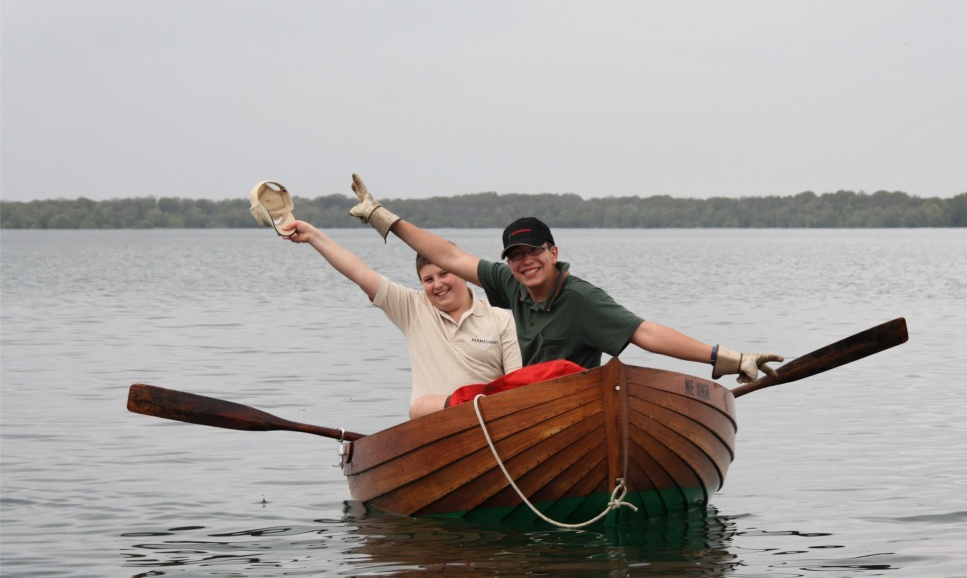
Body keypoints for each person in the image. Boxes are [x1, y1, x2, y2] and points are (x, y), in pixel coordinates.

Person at [345, 174, 784, 383]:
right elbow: (448, 255)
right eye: (515, 255)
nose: (525, 262)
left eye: (534, 252)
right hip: (521, 408)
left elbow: (646, 333)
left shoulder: (581, 300)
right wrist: (385, 218)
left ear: (553, 253)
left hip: (569, 406)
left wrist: (724, 357)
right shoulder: (506, 282)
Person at [283, 220, 522, 418]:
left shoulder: (502, 319)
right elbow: (360, 273)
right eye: (428, 280)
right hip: (432, 429)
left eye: (443, 274)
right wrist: (313, 236)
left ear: (463, 273)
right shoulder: (412, 308)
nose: (437, 285)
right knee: (421, 407)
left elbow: (516, 387)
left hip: (488, 423)